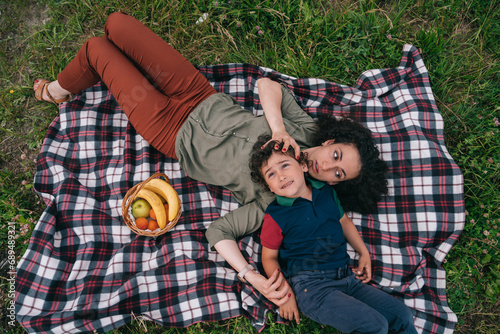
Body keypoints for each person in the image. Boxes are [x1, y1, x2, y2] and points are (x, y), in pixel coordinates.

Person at [33, 11, 387, 306]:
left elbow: (218, 232)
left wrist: (250, 275)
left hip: (170, 129)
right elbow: (267, 85)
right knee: (117, 23)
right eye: (335, 155)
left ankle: (55, 91)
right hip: (197, 92)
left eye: (337, 174)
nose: (326, 166)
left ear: (334, 184)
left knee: (96, 48)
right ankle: (75, 78)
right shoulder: (305, 130)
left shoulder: (281, 196)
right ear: (329, 141)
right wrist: (279, 129)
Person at [249, 135, 417, 334]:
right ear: (270, 187)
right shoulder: (276, 214)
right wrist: (285, 296)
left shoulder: (325, 191)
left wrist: (363, 252)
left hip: (346, 278)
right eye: (271, 174)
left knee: (402, 315)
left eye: (285, 166)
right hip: (311, 288)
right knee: (374, 326)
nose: (281, 176)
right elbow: (269, 257)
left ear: (302, 165)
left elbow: (343, 221)